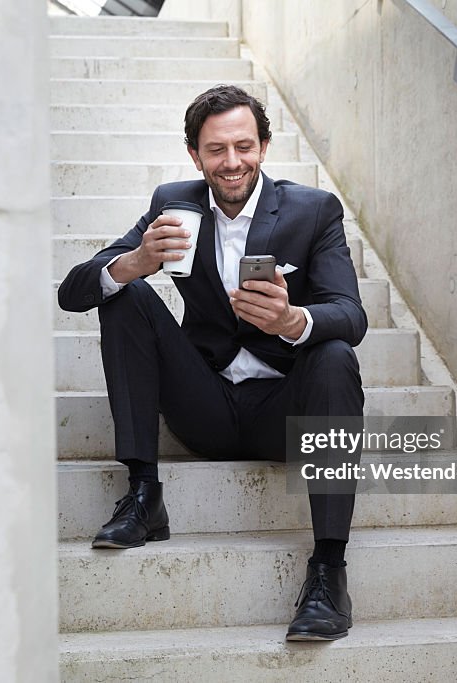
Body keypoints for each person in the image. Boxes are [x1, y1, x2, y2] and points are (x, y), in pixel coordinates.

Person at [57, 85, 366, 641]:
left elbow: (351, 314)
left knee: (335, 355)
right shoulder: (173, 203)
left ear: (265, 147)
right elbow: (73, 292)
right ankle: (144, 493)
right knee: (122, 293)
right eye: (216, 150)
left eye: (244, 146)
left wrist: (292, 321)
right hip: (205, 405)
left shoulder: (313, 210)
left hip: (285, 415)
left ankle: (328, 568)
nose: (231, 163)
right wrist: (136, 260)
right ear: (195, 155)